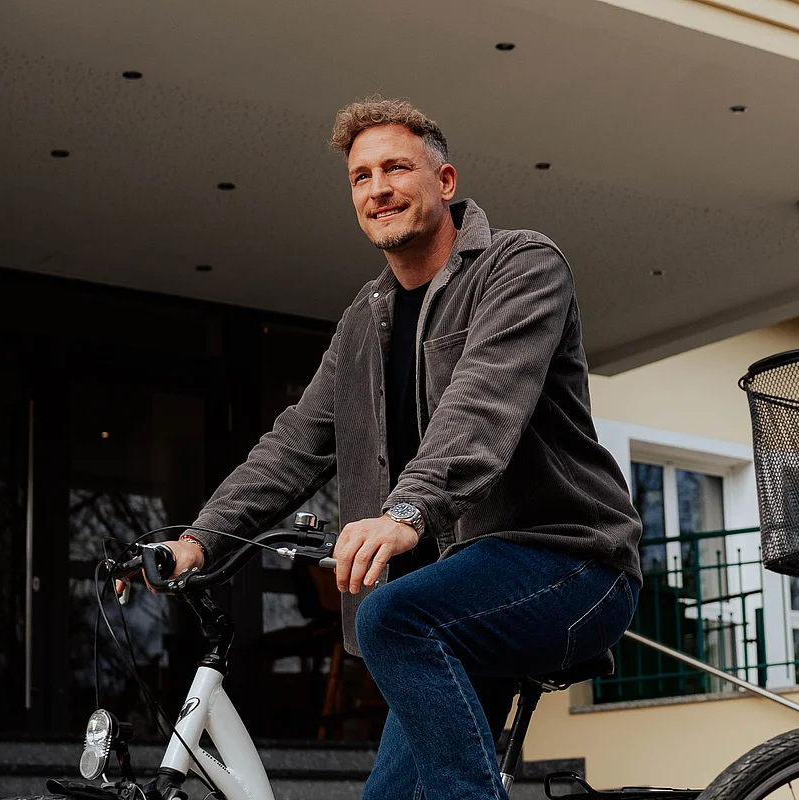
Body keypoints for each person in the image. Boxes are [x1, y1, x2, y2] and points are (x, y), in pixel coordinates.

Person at [147, 97, 642, 799]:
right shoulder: (364, 321)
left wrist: (406, 510)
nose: (377, 187)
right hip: (457, 599)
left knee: (393, 612)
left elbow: (481, 403)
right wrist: (200, 540)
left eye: (395, 167)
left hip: (570, 565)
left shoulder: (521, 267)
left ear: (444, 181)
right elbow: (292, 445)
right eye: (360, 176)